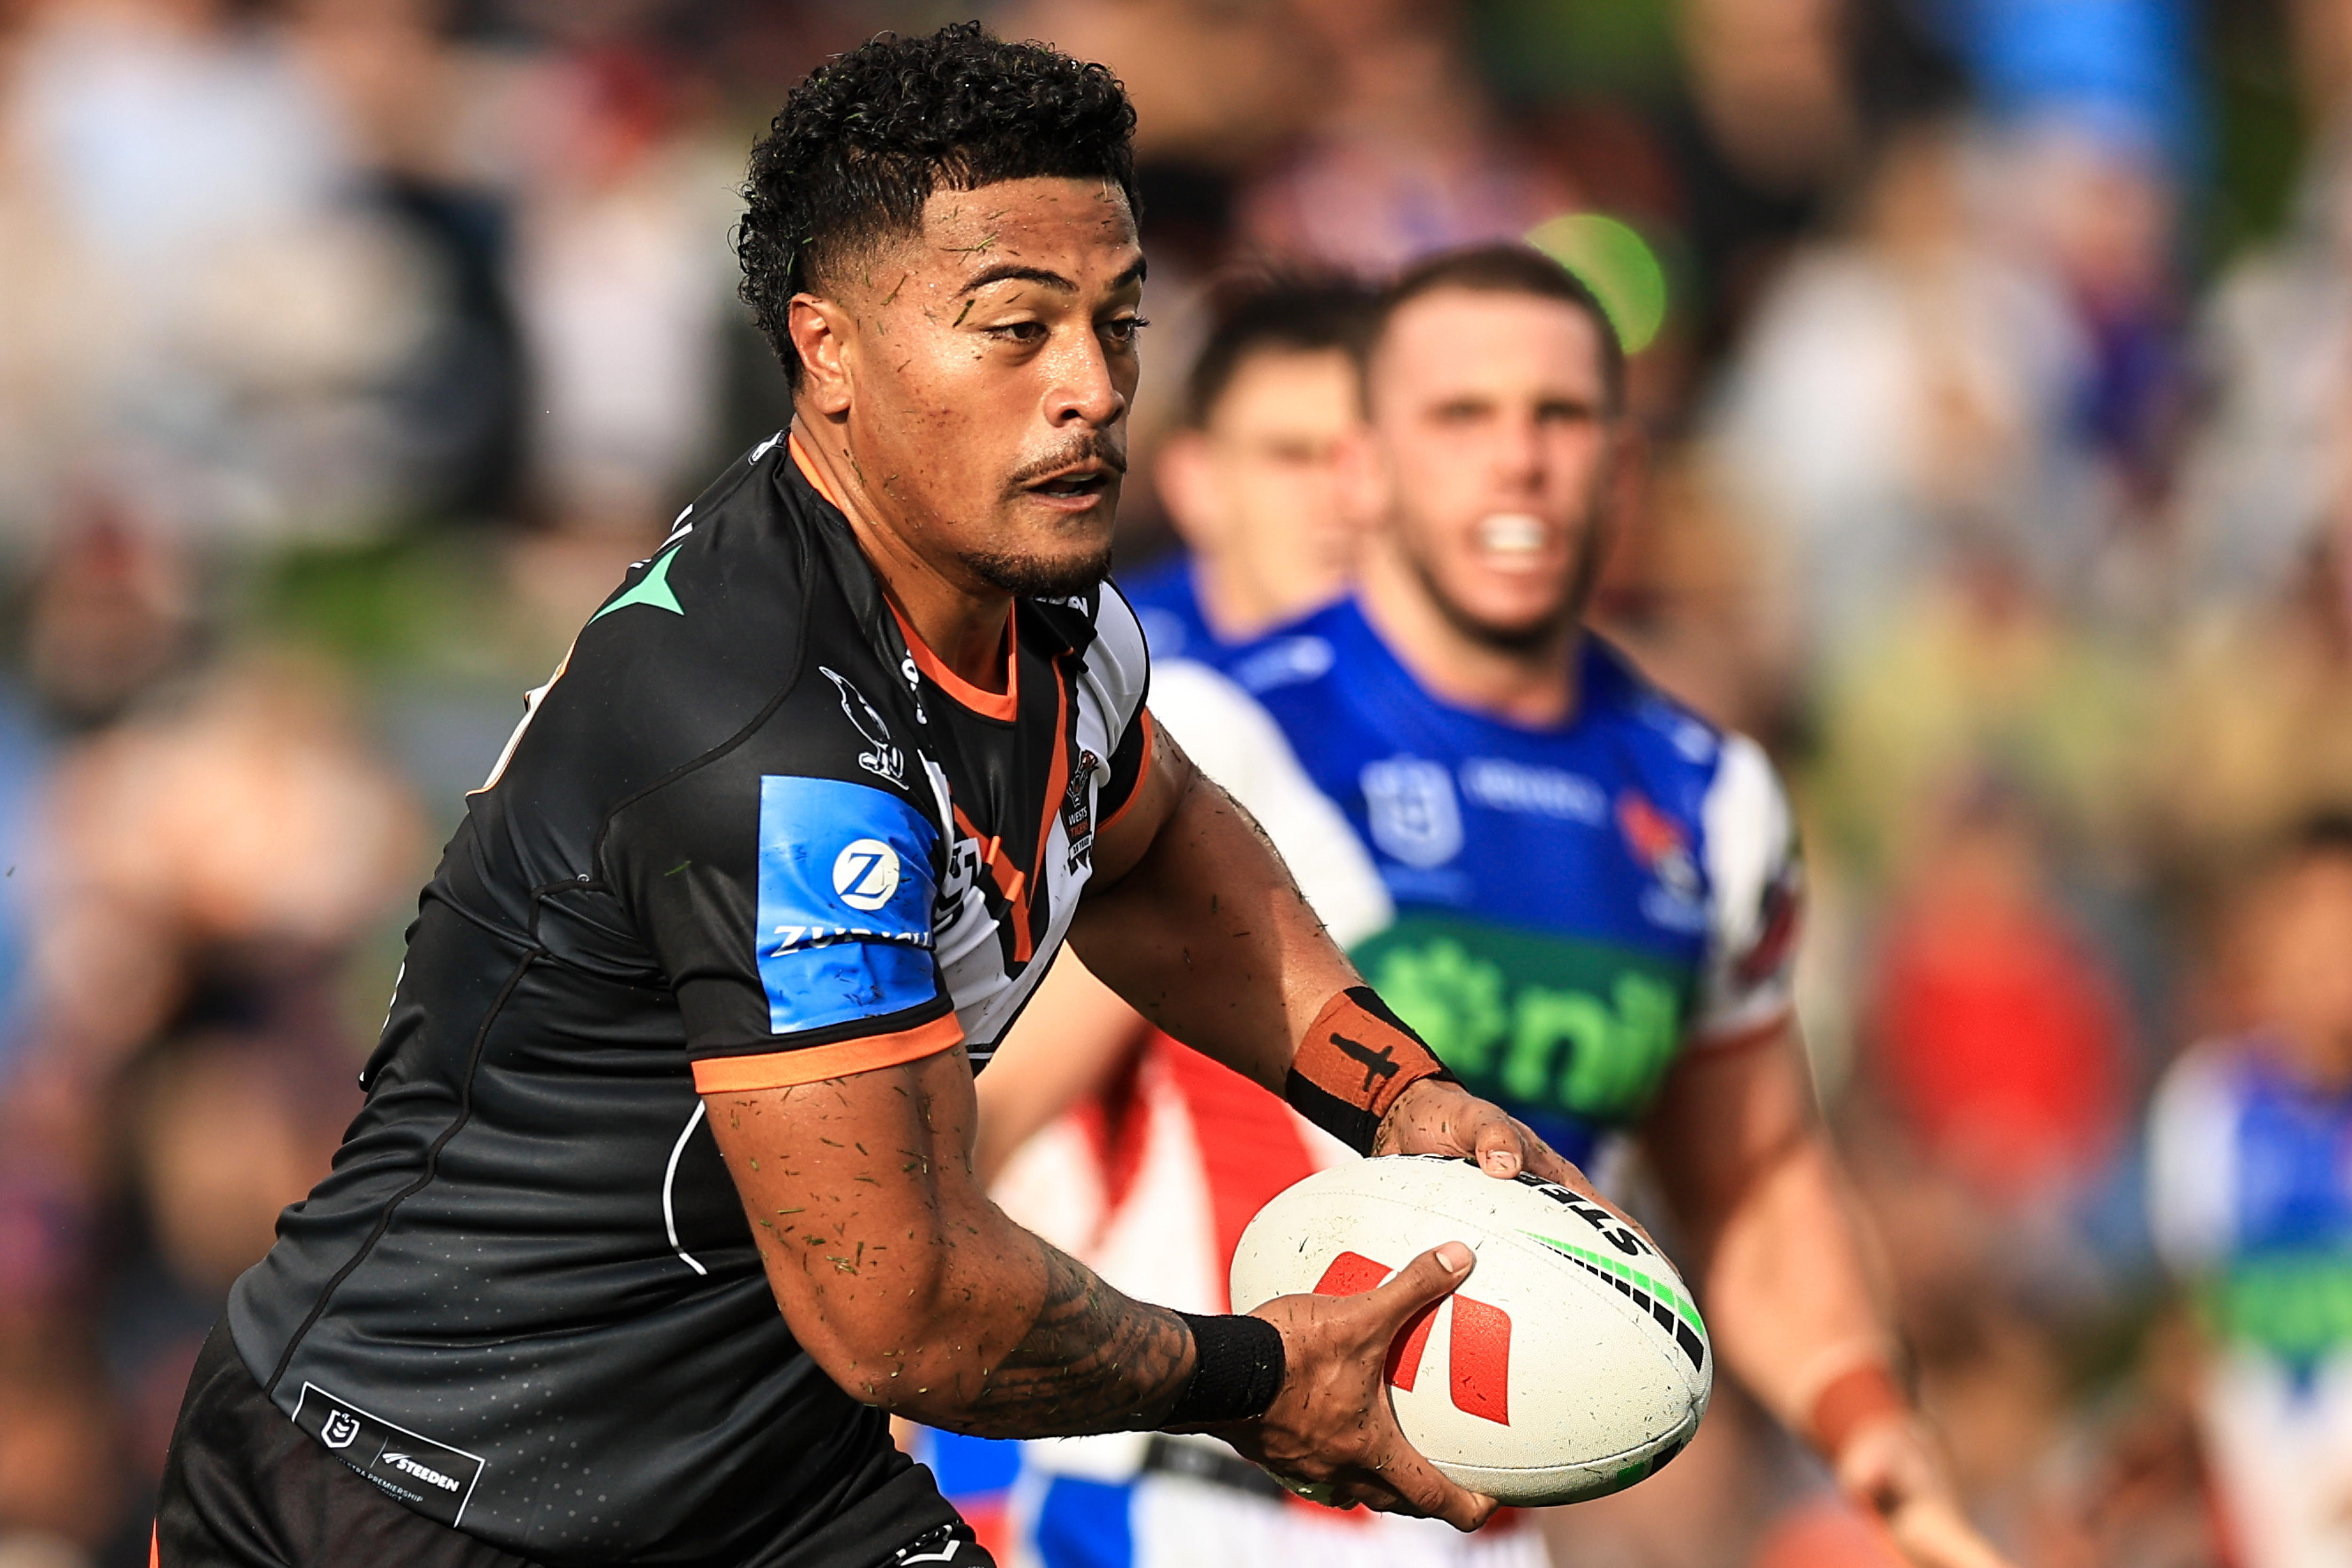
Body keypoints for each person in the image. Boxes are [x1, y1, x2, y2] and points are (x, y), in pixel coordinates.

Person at [149, 29, 1595, 1568]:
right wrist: (1255, 1376)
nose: (1092, 390)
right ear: (826, 350)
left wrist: (1394, 1089)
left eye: (1118, 324)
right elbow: (899, 1308)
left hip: (766, 1475)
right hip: (426, 1493)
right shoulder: (768, 744)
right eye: (1016, 329)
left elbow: (1156, 844)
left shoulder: (1052, 614)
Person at [977, 244, 2012, 1568]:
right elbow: (983, 1116)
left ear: (1625, 467)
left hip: (1480, 1534)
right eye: (1463, 416)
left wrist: (1873, 1428)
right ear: (1369, 467)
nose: (1518, 458)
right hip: (1175, 1512)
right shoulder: (1216, 733)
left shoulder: (1712, 800)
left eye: (1563, 416)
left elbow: (1755, 1183)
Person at [2148, 815, 2352, 1568]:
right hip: (2264, 1524)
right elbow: (2199, 1323)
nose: (2332, 955)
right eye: (2310, 922)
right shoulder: (2207, 1107)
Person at [1118, 276, 1376, 661]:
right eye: (1293, 457)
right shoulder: (1087, 675)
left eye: (1369, 458)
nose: (1337, 496)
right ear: (1194, 483)